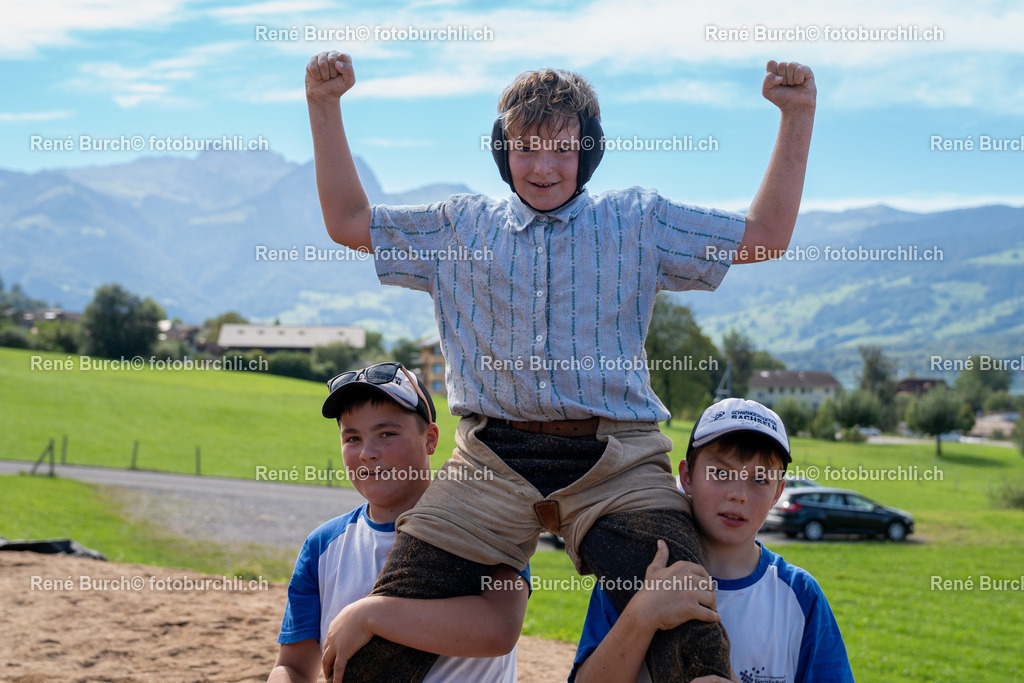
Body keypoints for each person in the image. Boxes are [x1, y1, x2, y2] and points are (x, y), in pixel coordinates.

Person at [305, 50, 815, 682]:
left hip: (617, 463)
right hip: (488, 464)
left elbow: (764, 236)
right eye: (525, 147)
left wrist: (797, 114)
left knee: (685, 615)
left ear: (589, 151)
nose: (543, 167)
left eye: (562, 148)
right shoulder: (457, 226)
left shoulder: (637, 221)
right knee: (371, 653)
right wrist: (323, 106)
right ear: (502, 151)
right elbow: (349, 222)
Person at [268, 362, 529, 683]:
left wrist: (369, 615)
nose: (367, 453)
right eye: (352, 438)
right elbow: (293, 665)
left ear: (430, 439)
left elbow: (498, 631)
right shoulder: (322, 545)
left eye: (387, 433)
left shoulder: (481, 524)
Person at [571, 398, 854, 682]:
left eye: (759, 480)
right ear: (687, 477)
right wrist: (642, 614)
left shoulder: (799, 595)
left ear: (777, 493)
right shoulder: (635, 570)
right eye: (720, 472)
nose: (738, 494)